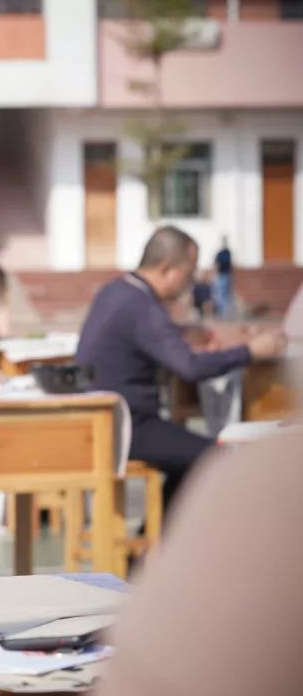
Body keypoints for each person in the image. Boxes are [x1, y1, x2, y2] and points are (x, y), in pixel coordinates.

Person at [76, 227, 285, 509]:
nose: (191, 281)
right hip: (128, 426)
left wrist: (182, 331)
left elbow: (145, 336)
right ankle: (161, 546)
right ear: (168, 270)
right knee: (216, 459)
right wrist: (250, 351)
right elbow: (190, 368)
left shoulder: (117, 290)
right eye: (190, 272)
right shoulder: (143, 306)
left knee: (188, 460)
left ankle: (153, 543)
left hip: (102, 419)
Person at [96, 428, 303, 696]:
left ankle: (163, 540)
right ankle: (162, 539)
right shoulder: (272, 477)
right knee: (209, 455)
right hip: (140, 428)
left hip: (130, 427)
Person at [213, 235, 234, 317]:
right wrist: (215, 274)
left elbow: (230, 263)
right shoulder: (220, 253)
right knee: (221, 294)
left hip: (227, 274)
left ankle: (226, 312)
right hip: (221, 275)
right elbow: (216, 264)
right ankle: (222, 312)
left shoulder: (228, 252)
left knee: (227, 294)